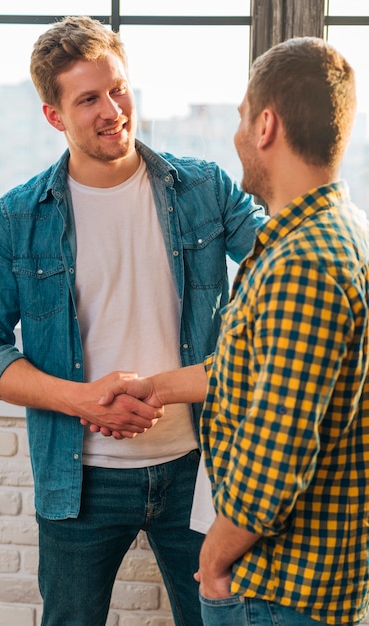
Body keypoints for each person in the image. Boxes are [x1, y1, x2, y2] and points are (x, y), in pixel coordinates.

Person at [0, 15, 266, 626]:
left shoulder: (203, 189)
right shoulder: (18, 217)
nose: (112, 109)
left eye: (118, 88)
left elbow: (286, 258)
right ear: (54, 115)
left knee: (224, 620)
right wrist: (82, 401)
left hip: (198, 470)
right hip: (80, 484)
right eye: (89, 98)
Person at [101, 37, 369, 625]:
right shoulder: (336, 231)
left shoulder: (301, 263)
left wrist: (215, 562)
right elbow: (253, 372)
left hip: (278, 589)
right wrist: (158, 387)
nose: (236, 133)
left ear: (267, 125)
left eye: (242, 117)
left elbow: (276, 454)